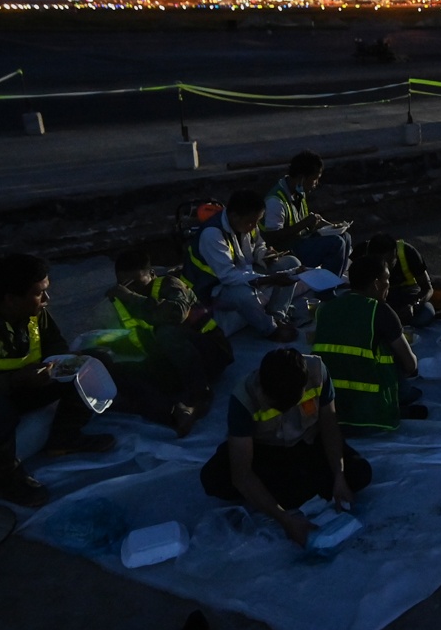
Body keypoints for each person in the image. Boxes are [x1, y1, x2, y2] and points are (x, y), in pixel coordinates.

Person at [0, 253, 116, 508]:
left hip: (26, 388)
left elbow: (55, 343)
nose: (47, 300)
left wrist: (64, 362)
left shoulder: (34, 311)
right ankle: (7, 475)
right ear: (10, 298)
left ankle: (64, 436)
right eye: (40, 293)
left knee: (94, 361)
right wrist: (14, 381)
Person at [199, 348, 372, 547]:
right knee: (214, 479)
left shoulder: (317, 372)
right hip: (266, 452)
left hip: (307, 443)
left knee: (359, 473)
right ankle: (289, 493)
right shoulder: (244, 397)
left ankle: (288, 490)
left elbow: (330, 427)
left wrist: (339, 475)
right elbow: (242, 473)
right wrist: (285, 520)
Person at [105, 249, 234, 435]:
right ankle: (174, 412)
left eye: (135, 283)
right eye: (124, 284)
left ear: (151, 274)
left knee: (166, 331)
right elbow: (132, 334)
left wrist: (131, 297)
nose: (130, 289)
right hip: (172, 361)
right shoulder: (121, 299)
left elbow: (176, 314)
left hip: (210, 353)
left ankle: (200, 395)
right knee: (117, 370)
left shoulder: (170, 284)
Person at [312, 255, 426, 432]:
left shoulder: (325, 309)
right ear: (375, 284)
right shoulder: (379, 311)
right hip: (372, 412)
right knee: (407, 384)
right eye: (386, 280)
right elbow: (411, 365)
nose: (389, 286)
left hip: (331, 406)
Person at [182, 189, 302, 341]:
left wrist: (265, 255)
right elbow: (228, 276)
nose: (254, 226)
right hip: (213, 288)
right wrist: (268, 279)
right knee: (244, 296)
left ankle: (276, 315)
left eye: (257, 221)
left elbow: (258, 246)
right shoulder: (212, 234)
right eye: (251, 222)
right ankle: (269, 330)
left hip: (244, 271)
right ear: (233, 216)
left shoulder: (247, 223)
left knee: (291, 264)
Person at [262, 150, 351, 276]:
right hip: (286, 251)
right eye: (314, 180)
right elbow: (272, 237)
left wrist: (319, 224)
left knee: (345, 237)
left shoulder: (299, 192)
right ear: (301, 178)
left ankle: (336, 280)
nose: (316, 184)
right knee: (336, 244)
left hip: (300, 241)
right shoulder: (275, 201)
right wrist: (304, 224)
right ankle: (326, 290)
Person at [362, 232, 434, 326]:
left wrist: (415, 305)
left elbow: (428, 288)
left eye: (389, 263)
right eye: (381, 264)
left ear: (395, 255)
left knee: (424, 316)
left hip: (409, 293)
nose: (385, 269)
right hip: (379, 297)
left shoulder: (408, 252)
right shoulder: (361, 258)